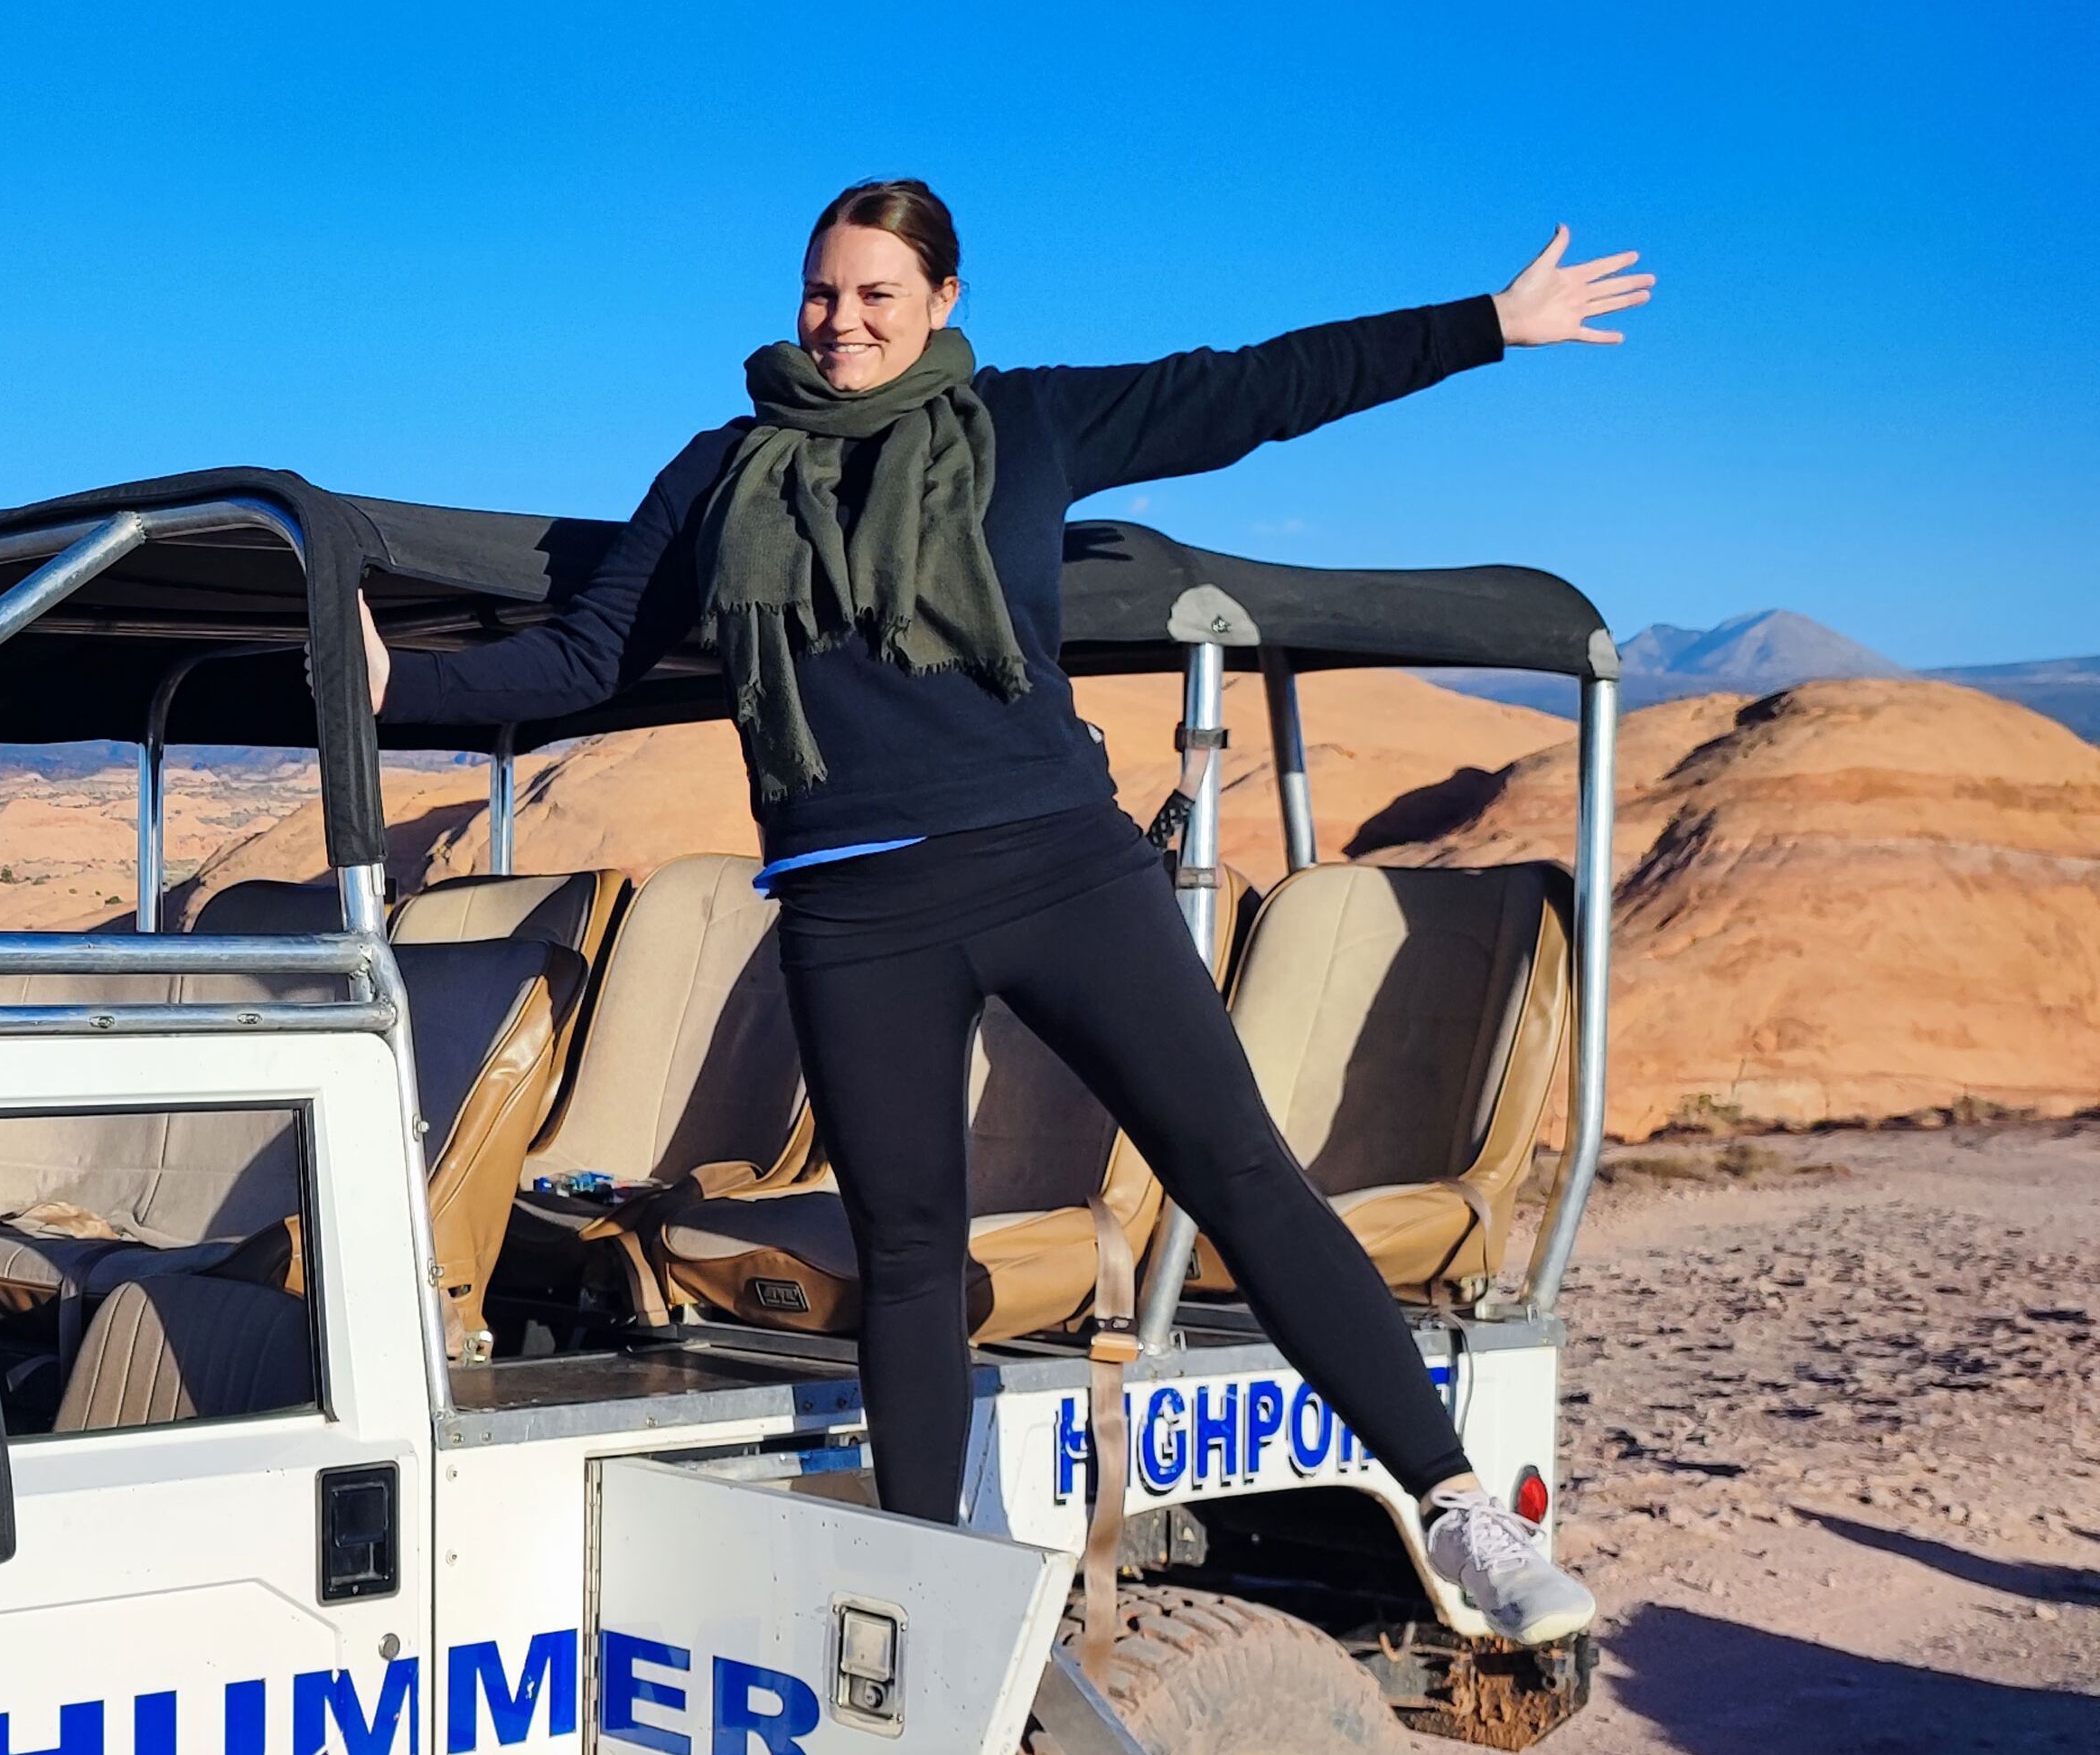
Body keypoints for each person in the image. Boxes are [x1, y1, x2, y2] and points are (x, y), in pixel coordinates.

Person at [365, 177, 1652, 1642]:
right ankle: (922, 1588)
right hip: (857, 914)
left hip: (1060, 868)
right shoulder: (725, 476)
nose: (840, 323)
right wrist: (396, 686)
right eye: (819, 294)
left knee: (1236, 1169)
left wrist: (1490, 323)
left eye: (874, 297)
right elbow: (587, 654)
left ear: (942, 302)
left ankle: (1455, 1504)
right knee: (909, 1251)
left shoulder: (1022, 427)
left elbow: (1256, 391)